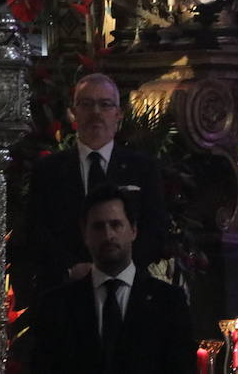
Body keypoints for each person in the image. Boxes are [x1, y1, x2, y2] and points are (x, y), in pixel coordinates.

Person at [27, 186, 194, 374]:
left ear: (133, 229)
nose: (108, 236)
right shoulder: (57, 306)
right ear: (85, 234)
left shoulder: (169, 302)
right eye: (98, 227)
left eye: (116, 225)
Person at [26, 73, 169, 291]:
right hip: (65, 292)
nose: (96, 113)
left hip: (127, 290)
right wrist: (71, 268)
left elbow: (156, 229)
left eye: (105, 105)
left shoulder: (143, 169)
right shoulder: (48, 170)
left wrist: (117, 269)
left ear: (118, 114)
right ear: (72, 113)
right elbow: (36, 231)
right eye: (87, 104)